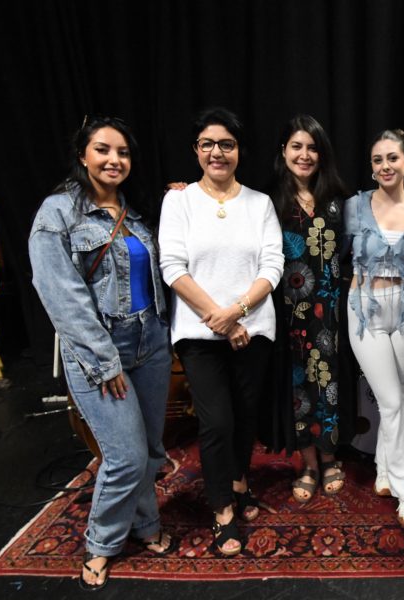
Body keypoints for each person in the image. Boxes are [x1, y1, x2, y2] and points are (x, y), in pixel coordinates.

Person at [29, 116, 176, 591]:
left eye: (123, 153)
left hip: (150, 341)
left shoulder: (134, 215)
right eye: (103, 150)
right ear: (83, 156)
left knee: (151, 450)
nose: (115, 160)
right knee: (126, 457)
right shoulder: (58, 213)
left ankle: (146, 524)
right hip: (102, 350)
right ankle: (101, 541)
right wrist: (103, 360)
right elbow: (61, 296)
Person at [158, 107, 284, 556]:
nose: (217, 152)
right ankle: (223, 511)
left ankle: (239, 480)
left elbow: (273, 264)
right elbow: (172, 265)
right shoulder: (179, 201)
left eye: (226, 144)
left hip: (254, 327)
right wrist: (219, 317)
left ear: (238, 151)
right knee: (217, 422)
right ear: (196, 150)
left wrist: (239, 310)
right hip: (199, 332)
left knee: (246, 418)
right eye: (208, 144)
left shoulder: (260, 203)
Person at [345, 129, 404, 528]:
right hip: (365, 307)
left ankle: (383, 468)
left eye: (392, 158)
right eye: (378, 159)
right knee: (392, 402)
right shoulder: (354, 206)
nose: (385, 166)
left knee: (396, 394)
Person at [272, 115, 349, 503]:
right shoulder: (270, 203)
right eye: (297, 146)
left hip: (331, 314)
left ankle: (331, 457)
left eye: (312, 147)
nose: (304, 155)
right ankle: (308, 465)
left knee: (329, 385)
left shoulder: (339, 201)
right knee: (297, 388)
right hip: (287, 314)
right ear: (284, 151)